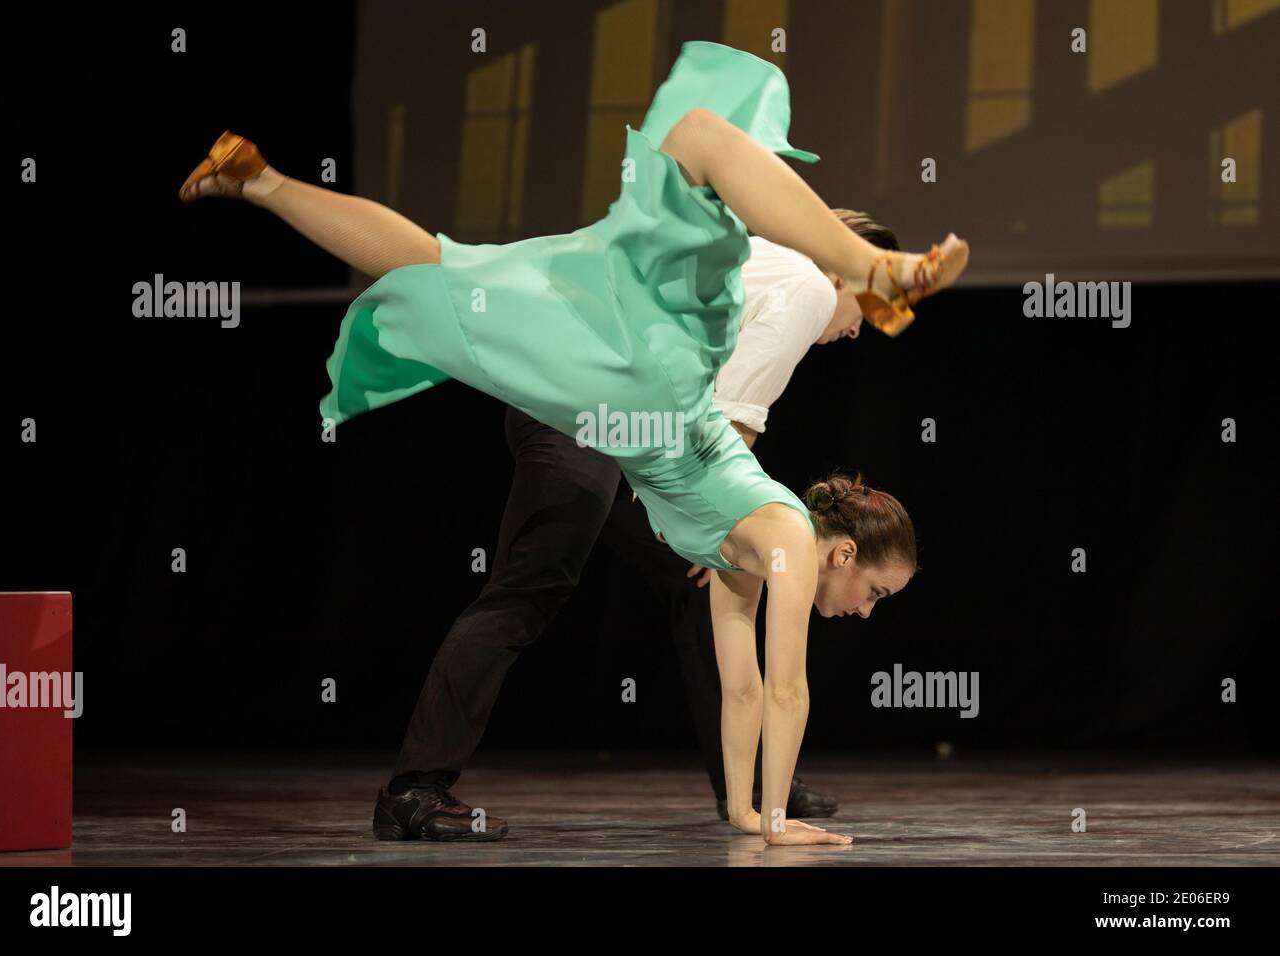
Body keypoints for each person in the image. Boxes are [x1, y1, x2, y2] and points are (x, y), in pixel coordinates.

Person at [179, 40, 968, 847]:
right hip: (609, 391)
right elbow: (724, 431)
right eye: (861, 318)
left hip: (580, 332)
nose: (851, 336)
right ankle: (421, 787)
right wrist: (713, 514)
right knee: (555, 583)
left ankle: (264, 181)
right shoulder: (804, 287)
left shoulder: (749, 261)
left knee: (431, 260)